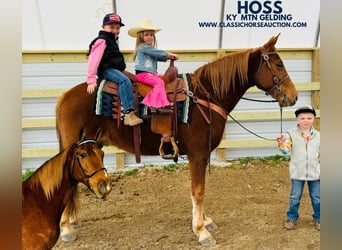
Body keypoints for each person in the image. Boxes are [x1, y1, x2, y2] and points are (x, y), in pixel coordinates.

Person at [86, 13, 143, 126]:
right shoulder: (102, 40)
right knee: (123, 80)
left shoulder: (111, 40)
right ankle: (128, 113)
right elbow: (94, 60)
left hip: (114, 68)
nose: (115, 30)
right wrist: (91, 80)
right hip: (107, 70)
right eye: (111, 27)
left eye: (117, 28)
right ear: (103, 27)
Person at [277, 105, 320, 231]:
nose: (305, 121)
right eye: (302, 118)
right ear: (297, 119)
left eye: (309, 118)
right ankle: (291, 218)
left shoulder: (319, 136)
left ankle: (319, 218)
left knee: (317, 197)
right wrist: (281, 143)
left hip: (315, 173)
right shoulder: (290, 134)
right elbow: (286, 151)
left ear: (314, 119)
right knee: (295, 197)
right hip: (297, 172)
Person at [128, 18, 179, 110]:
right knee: (159, 82)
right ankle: (154, 102)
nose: (150, 37)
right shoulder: (143, 47)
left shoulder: (149, 49)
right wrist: (168, 54)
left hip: (150, 74)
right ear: (140, 37)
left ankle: (163, 99)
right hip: (142, 74)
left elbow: (157, 56)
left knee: (163, 79)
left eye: (151, 35)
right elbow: (157, 53)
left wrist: (167, 57)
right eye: (146, 35)